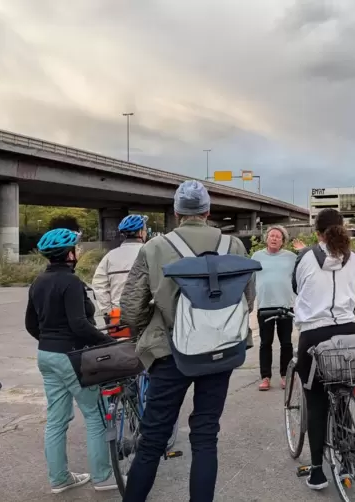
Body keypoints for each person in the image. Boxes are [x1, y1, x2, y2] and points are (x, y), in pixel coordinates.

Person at [120, 180, 255, 502]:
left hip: (168, 352)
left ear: (177, 212)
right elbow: (247, 297)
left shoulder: (154, 247)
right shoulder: (234, 246)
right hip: (220, 351)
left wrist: (144, 334)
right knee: (206, 435)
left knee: (153, 438)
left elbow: (130, 307)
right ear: (208, 211)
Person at [25, 228, 117, 494]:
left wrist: (51, 341)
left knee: (56, 419)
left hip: (47, 356)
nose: (79, 251)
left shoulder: (38, 281)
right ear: (69, 254)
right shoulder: (72, 283)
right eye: (77, 247)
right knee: (95, 415)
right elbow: (79, 324)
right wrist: (107, 343)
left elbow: (31, 324)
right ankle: (102, 477)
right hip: (72, 356)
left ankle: (59, 479)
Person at [292, 208, 355, 491]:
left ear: (317, 232)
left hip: (315, 333)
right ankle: (348, 458)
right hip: (348, 332)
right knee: (342, 395)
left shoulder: (306, 256)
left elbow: (296, 287)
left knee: (317, 402)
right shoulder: (353, 258)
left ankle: (318, 471)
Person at [251, 225, 296, 391]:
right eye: (272, 236)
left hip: (285, 305)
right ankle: (265, 377)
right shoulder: (256, 256)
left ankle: (286, 375)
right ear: (267, 238)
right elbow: (250, 279)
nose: (274, 238)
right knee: (265, 343)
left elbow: (301, 275)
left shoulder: (291, 257)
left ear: (283, 241)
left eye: (278, 236)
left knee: (286, 343)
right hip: (264, 305)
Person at [91, 214, 148, 332]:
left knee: (120, 347)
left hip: (117, 315)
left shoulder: (110, 256)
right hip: (146, 314)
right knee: (147, 348)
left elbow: (98, 285)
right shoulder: (150, 253)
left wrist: (109, 311)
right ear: (141, 232)